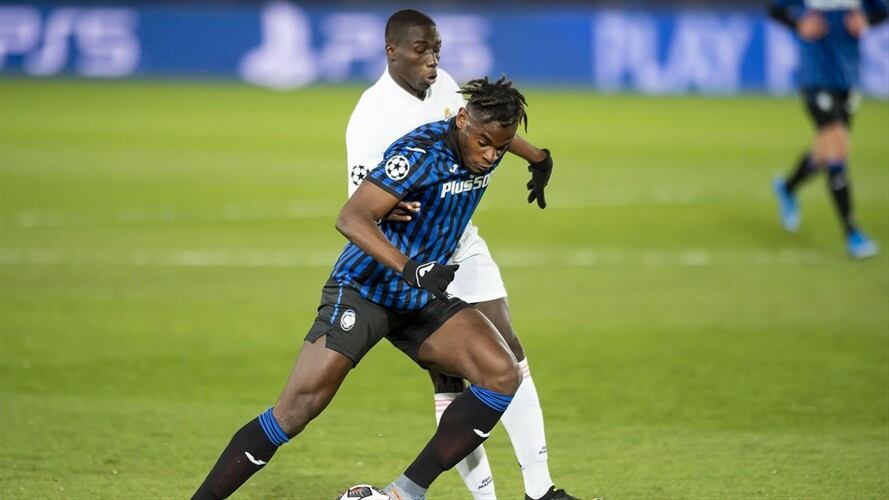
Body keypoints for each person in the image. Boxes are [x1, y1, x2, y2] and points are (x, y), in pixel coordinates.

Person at [193, 77, 546, 500]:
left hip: (419, 299)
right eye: (484, 143)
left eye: (501, 148)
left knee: (502, 373)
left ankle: (403, 493)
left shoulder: (488, 139)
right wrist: (411, 268)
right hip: (367, 288)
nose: (490, 156)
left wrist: (540, 159)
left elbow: (506, 140)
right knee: (295, 412)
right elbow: (351, 217)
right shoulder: (418, 154)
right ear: (461, 119)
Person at [346, 10, 575, 500]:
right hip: (417, 252)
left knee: (509, 353)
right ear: (392, 51)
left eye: (436, 50)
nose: (432, 61)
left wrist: (536, 155)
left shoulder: (447, 87)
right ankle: (484, 496)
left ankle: (540, 489)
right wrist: (399, 207)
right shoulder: (371, 113)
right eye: (421, 51)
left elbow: (486, 128)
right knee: (450, 379)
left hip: (461, 238)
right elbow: (360, 196)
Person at [769, 0, 887, 259]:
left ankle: (788, 187)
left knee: (827, 150)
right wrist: (798, 24)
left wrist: (865, 22)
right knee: (837, 147)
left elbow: (882, 10)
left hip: (846, 75)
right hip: (814, 75)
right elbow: (774, 8)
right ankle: (852, 232)